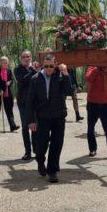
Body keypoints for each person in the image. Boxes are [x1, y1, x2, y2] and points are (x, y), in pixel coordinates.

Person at [25, 54, 73, 183]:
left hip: (58, 116)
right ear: (43, 65)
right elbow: (30, 101)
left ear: (55, 64)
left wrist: (66, 74)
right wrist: (31, 120)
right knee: (41, 144)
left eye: (51, 66)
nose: (49, 69)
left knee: (57, 143)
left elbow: (69, 91)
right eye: (46, 66)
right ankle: (40, 160)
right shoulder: (36, 78)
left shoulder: (61, 76)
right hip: (43, 117)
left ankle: (52, 171)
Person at [85, 64, 107, 158]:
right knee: (90, 128)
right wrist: (97, 68)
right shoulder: (92, 68)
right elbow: (88, 79)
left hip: (106, 104)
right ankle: (92, 149)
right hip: (92, 103)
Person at [14, 51, 37, 161]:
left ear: (31, 57)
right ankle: (27, 151)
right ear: (21, 58)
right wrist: (33, 71)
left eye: (28, 56)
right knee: (25, 126)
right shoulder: (17, 69)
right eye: (23, 57)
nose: (26, 58)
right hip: (23, 102)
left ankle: (36, 149)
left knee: (35, 126)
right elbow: (22, 80)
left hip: (35, 102)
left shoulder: (35, 68)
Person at [0, 56, 20, 132]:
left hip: (7, 92)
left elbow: (11, 80)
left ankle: (12, 126)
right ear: (0, 63)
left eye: (6, 62)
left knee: (9, 109)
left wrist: (9, 82)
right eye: (4, 62)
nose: (5, 64)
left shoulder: (9, 71)